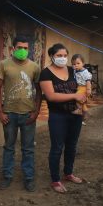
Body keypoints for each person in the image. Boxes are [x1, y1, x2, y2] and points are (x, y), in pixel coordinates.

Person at [0, 36, 42, 192]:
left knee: (28, 148)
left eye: (26, 48)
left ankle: (28, 178)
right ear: (12, 49)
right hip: (9, 114)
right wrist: (0, 112)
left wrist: (36, 111)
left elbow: (39, 90)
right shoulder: (3, 65)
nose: (23, 50)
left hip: (28, 114)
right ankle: (7, 176)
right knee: (9, 147)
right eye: (20, 47)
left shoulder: (34, 67)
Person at [39, 43, 87, 193]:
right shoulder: (46, 73)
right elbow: (51, 96)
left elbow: (83, 85)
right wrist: (74, 95)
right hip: (57, 116)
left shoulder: (73, 70)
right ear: (52, 56)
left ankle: (68, 173)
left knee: (72, 146)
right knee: (57, 147)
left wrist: (85, 94)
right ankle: (55, 180)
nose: (63, 58)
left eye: (65, 55)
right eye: (59, 56)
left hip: (75, 115)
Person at [70, 54, 92, 123]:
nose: (76, 65)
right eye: (74, 64)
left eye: (78, 63)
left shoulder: (85, 72)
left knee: (78, 98)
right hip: (79, 87)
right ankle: (85, 113)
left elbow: (88, 81)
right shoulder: (75, 70)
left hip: (84, 87)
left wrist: (88, 90)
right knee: (83, 102)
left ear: (83, 63)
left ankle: (78, 111)